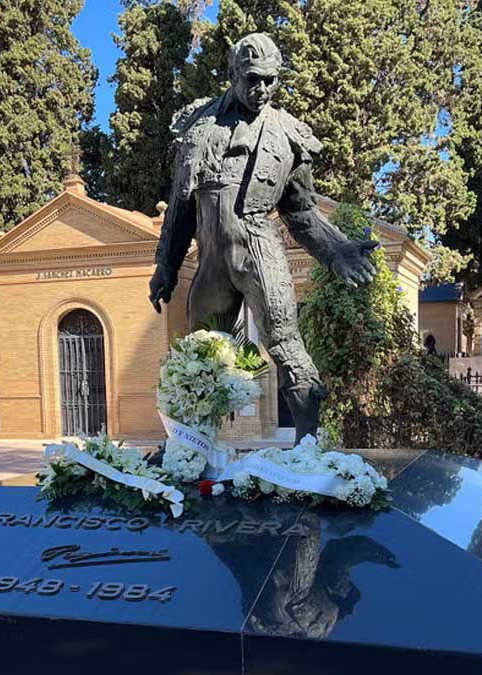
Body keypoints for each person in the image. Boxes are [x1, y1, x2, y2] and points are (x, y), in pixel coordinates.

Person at [147, 33, 378, 441]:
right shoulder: (197, 125)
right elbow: (180, 205)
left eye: (271, 80)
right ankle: (191, 451)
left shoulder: (289, 135)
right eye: (253, 79)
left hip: (259, 251)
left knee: (285, 344)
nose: (263, 89)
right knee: (200, 355)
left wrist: (336, 250)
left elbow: (301, 212)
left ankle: (308, 448)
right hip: (211, 260)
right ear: (233, 74)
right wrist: (165, 266)